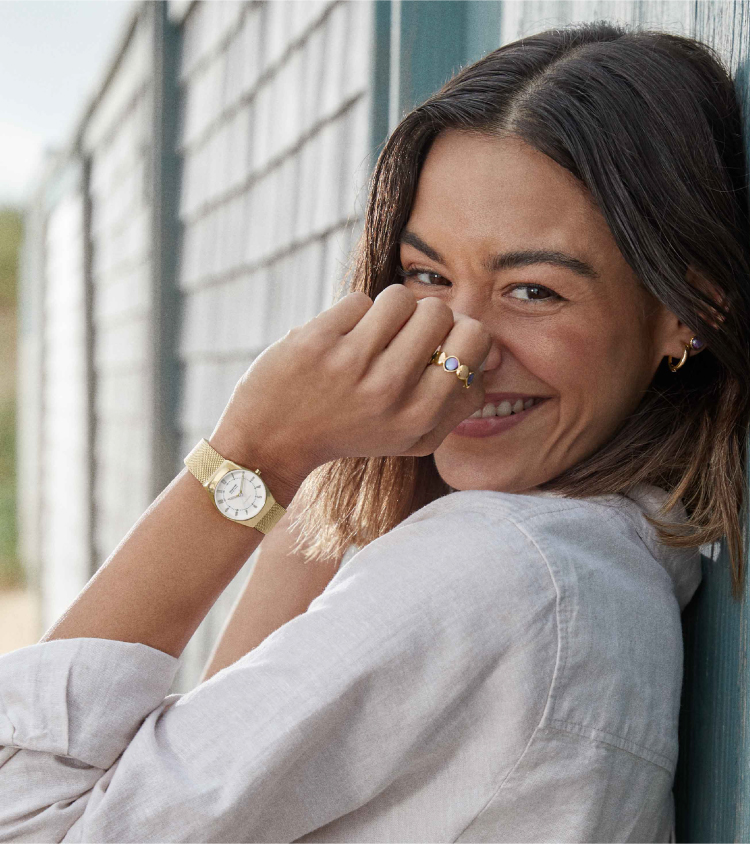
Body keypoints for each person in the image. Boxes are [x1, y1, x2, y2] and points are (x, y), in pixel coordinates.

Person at [1, 19, 749, 844]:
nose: (457, 349)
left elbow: (29, 818)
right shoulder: (600, 554)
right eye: (426, 276)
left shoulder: (497, 571)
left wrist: (254, 453)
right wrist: (334, 454)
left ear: (689, 313)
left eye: (532, 291)